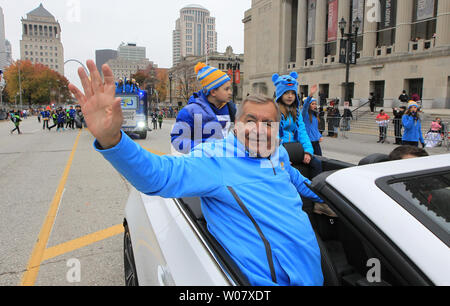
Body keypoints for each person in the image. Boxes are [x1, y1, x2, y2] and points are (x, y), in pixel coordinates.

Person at [68, 60, 325, 286]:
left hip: (315, 274)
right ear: (236, 125)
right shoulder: (215, 158)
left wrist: (325, 196)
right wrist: (114, 140)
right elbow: (160, 175)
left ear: (277, 129)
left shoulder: (278, 153)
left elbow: (297, 180)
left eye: (268, 123)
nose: (259, 129)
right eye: (250, 121)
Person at [171, 62, 236, 154]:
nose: (230, 92)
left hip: (226, 162)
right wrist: (201, 150)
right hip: (202, 163)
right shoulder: (189, 112)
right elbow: (177, 139)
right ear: (213, 92)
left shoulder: (232, 109)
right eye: (226, 89)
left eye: (230, 89)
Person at [272, 72, 322, 178]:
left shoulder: (297, 112)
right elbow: (273, 136)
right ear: (280, 94)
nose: (290, 96)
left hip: (296, 149)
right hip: (282, 150)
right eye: (286, 93)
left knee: (316, 164)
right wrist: (281, 156)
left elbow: (302, 132)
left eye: (293, 93)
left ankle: (314, 191)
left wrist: (308, 151)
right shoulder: (273, 111)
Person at [302, 85, 323, 156]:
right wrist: (310, 95)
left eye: (315, 104)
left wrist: (319, 136)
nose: (315, 105)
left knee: (320, 158)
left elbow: (315, 129)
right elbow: (305, 105)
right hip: (308, 142)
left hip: (316, 142)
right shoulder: (305, 114)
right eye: (312, 104)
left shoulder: (315, 115)